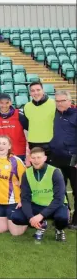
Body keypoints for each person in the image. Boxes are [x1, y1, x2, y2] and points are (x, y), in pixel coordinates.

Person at [10, 147, 69, 242]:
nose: (36, 160)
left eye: (39, 157)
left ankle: (59, 229)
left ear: (45, 158)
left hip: (55, 205)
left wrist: (40, 215)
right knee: (16, 217)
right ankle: (42, 224)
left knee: (62, 218)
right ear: (29, 159)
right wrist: (30, 218)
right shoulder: (26, 173)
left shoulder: (55, 172)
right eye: (33, 158)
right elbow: (25, 198)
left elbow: (59, 199)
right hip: (37, 205)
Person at [0, 136, 26, 235]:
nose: (1, 146)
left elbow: (26, 182)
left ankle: (28, 219)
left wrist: (23, 200)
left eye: (4, 144)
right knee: (0, 230)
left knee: (15, 233)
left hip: (12, 201)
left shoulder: (16, 161)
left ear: (9, 146)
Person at [49, 91, 77, 229]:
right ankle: (62, 217)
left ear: (69, 101)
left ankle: (76, 221)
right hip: (57, 158)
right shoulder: (54, 115)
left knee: (76, 189)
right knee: (59, 190)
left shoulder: (75, 115)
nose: (59, 103)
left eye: (62, 100)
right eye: (57, 101)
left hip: (73, 159)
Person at [0, 93, 28, 160]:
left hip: (18, 152)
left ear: (11, 103)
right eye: (1, 103)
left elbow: (30, 128)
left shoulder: (19, 114)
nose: (4, 105)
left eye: (7, 103)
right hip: (1, 152)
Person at [24, 82, 56, 158]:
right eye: (33, 91)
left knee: (51, 169)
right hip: (33, 144)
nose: (36, 93)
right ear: (30, 93)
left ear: (43, 90)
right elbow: (27, 126)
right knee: (36, 169)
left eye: (38, 90)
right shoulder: (27, 106)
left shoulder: (54, 104)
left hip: (50, 143)